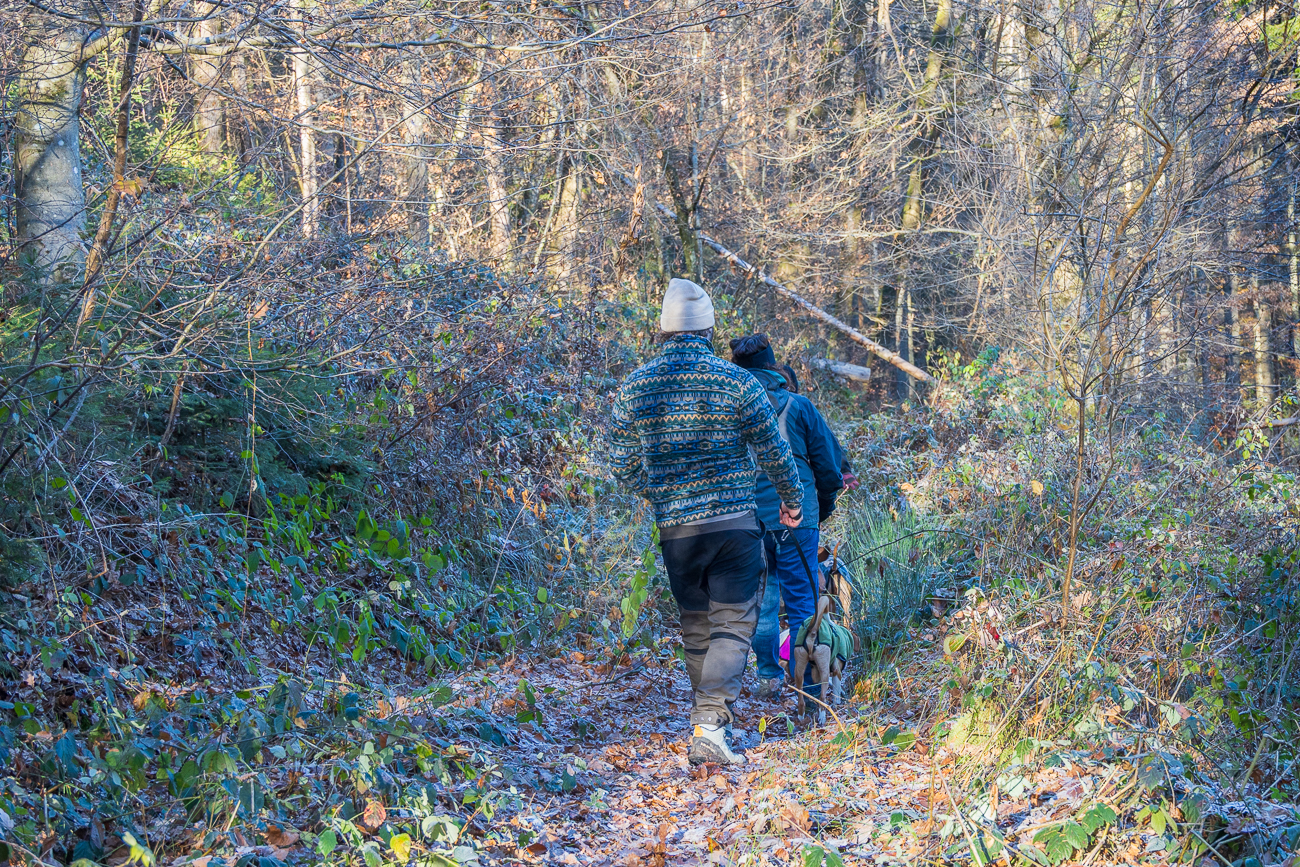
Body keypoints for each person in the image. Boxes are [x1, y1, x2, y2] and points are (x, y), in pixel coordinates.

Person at [608, 279, 805, 766]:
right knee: (733, 624)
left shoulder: (636, 386)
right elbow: (775, 452)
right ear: (710, 328)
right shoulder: (737, 382)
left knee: (697, 626)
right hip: (734, 523)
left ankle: (708, 724)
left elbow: (620, 462)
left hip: (677, 530)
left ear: (663, 329)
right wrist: (792, 500)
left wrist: (659, 494)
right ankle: (710, 725)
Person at [729, 334, 845, 699]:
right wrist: (819, 508)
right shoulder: (799, 407)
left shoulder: (732, 410)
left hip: (749, 520)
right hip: (798, 518)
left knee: (763, 602)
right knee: (804, 602)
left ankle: (768, 678)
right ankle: (811, 692)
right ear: (773, 365)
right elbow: (829, 469)